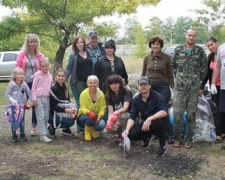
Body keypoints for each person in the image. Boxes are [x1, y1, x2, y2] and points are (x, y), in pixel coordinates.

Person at [172, 28, 207, 148]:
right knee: (177, 113)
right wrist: (180, 78)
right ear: (186, 35)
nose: (191, 38)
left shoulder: (200, 51)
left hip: (193, 89)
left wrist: (196, 80)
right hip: (180, 89)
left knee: (191, 114)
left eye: (194, 36)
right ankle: (177, 138)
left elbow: (204, 68)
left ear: (196, 37)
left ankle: (189, 139)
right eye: (189, 35)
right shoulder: (178, 50)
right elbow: (173, 66)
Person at [122, 76, 168, 157]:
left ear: (149, 86)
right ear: (138, 87)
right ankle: (147, 138)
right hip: (145, 125)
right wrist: (127, 130)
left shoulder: (156, 96)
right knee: (131, 133)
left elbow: (164, 112)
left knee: (160, 121)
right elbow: (132, 116)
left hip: (156, 123)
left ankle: (162, 146)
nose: (143, 87)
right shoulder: (136, 99)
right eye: (141, 85)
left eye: (145, 85)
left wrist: (150, 118)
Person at [141, 36, 174, 143]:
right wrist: (141, 87)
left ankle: (168, 134)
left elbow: (170, 74)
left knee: (162, 109)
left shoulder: (167, 57)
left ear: (160, 46)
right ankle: (154, 132)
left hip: (163, 86)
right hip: (150, 86)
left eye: (157, 44)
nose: (155, 46)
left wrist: (172, 87)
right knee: (151, 109)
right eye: (153, 44)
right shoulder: (146, 58)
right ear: (150, 46)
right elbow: (143, 73)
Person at [16, 34, 45, 136]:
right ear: (27, 43)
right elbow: (18, 68)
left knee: (35, 105)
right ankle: (20, 128)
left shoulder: (40, 56)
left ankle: (34, 127)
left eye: (35, 41)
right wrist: (18, 81)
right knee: (22, 105)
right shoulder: (22, 54)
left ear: (37, 43)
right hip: (24, 83)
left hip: (35, 84)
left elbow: (43, 70)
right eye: (31, 42)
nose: (33, 44)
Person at [199, 37, 225, 143]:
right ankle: (218, 133)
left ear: (216, 43)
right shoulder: (210, 57)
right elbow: (207, 73)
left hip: (222, 85)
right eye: (208, 46)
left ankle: (222, 132)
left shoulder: (222, 52)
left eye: (212, 44)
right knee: (217, 110)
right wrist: (202, 87)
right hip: (215, 87)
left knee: (223, 111)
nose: (210, 47)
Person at [5, 67, 32, 142]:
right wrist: (12, 100)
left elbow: (29, 93)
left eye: (22, 74)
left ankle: (22, 134)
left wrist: (31, 101)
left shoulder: (24, 84)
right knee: (14, 120)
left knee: (22, 120)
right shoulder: (12, 85)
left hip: (22, 106)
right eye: (19, 74)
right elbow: (8, 94)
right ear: (15, 76)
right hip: (14, 107)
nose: (21, 75)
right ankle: (14, 134)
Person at [48, 69, 77, 138]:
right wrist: (66, 110)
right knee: (70, 122)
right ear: (55, 76)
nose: (61, 78)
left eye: (63, 76)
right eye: (59, 76)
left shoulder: (66, 87)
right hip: (52, 113)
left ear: (65, 77)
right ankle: (52, 126)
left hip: (62, 111)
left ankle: (65, 129)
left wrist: (73, 109)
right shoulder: (53, 88)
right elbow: (53, 106)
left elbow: (68, 101)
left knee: (77, 111)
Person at [66, 35, 93, 107]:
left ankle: (87, 118)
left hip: (89, 82)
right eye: (78, 43)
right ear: (75, 44)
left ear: (84, 43)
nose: (80, 44)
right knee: (81, 103)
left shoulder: (89, 52)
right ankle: (79, 117)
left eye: (81, 42)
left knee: (89, 103)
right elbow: (69, 68)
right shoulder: (72, 55)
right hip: (78, 83)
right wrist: (63, 79)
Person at [77, 75, 106, 141]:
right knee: (89, 119)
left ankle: (92, 129)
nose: (92, 84)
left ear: (97, 84)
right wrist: (89, 112)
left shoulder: (101, 94)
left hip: (96, 115)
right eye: (90, 83)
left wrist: (100, 116)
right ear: (87, 84)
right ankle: (87, 132)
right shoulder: (83, 94)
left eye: (94, 82)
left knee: (102, 125)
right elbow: (83, 108)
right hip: (84, 115)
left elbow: (102, 108)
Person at [32, 58, 53, 143]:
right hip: (39, 98)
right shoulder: (37, 76)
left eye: (46, 66)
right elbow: (33, 88)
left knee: (46, 116)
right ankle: (42, 135)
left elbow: (51, 86)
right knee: (41, 116)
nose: (45, 68)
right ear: (40, 66)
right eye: (43, 66)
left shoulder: (50, 75)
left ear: (49, 66)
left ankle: (44, 132)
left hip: (47, 98)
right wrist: (34, 99)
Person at [105, 74, 132, 139]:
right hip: (117, 116)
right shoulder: (109, 95)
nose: (113, 86)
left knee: (122, 116)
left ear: (119, 84)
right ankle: (120, 133)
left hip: (130, 116)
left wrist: (117, 112)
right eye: (111, 84)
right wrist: (109, 121)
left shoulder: (126, 91)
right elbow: (110, 112)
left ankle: (126, 135)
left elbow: (125, 108)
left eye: (115, 83)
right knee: (107, 129)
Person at [211, 42, 225, 147]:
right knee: (222, 111)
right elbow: (217, 67)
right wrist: (213, 83)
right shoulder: (221, 47)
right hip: (223, 87)